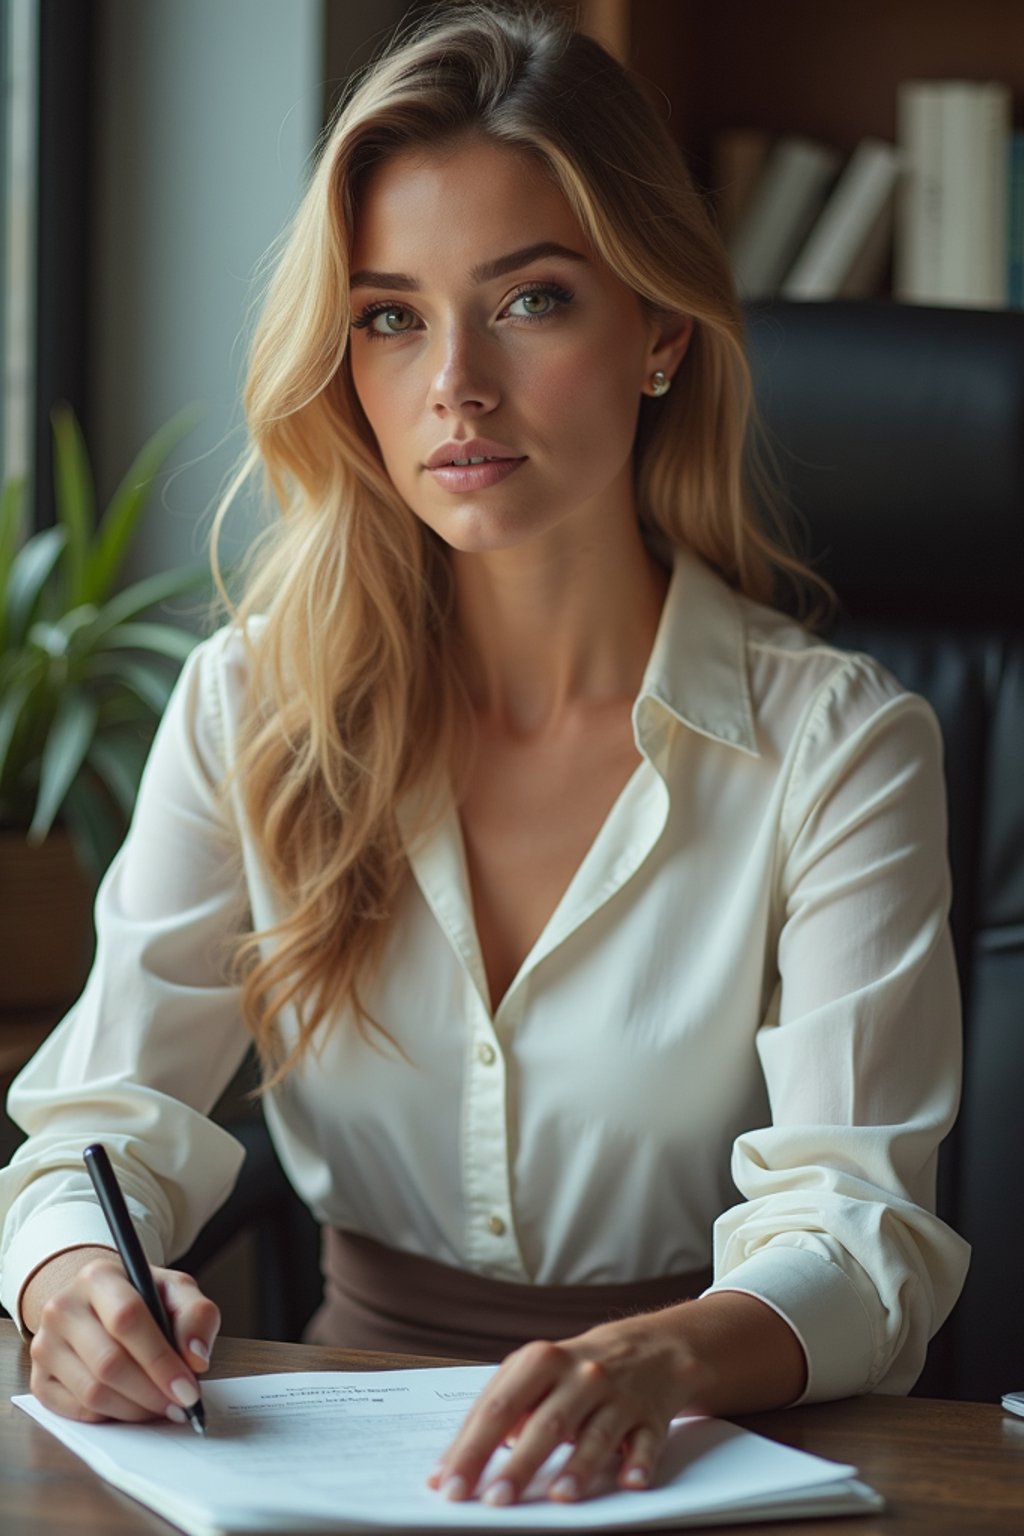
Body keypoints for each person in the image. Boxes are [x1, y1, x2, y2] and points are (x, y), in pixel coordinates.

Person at [0, 0, 969, 1508]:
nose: (453, 381)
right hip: (328, 1461)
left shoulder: (839, 749)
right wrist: (69, 1286)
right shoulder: (256, 704)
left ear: (658, 332)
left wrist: (659, 1358)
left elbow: (859, 1228)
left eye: (528, 302)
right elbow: (97, 1127)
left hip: (701, 1458)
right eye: (389, 314)